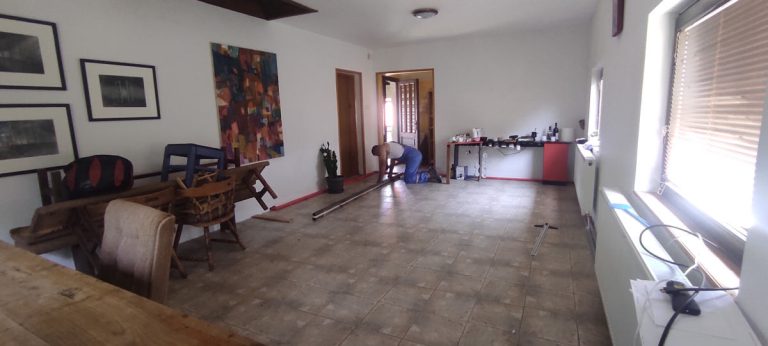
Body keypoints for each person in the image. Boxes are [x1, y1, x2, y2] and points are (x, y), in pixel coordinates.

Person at [372, 142, 441, 184]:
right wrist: (390, 174)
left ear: (377, 150)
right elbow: (393, 160)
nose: (379, 156)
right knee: (409, 175)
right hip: (414, 155)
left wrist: (379, 181)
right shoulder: (387, 146)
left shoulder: (381, 149)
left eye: (378, 155)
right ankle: (430, 171)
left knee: (408, 179)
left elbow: (383, 165)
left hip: (413, 156)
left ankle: (429, 174)